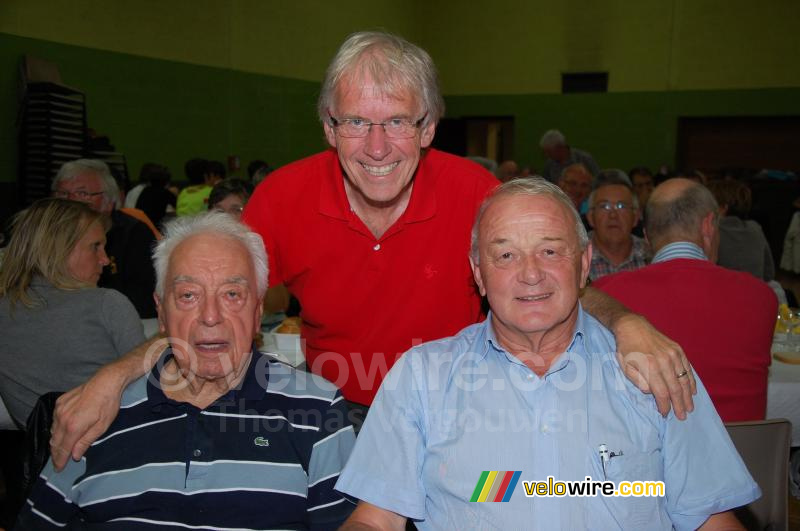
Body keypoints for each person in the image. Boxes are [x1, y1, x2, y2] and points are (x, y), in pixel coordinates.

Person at [49, 31, 695, 469]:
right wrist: (113, 375)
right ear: (330, 126)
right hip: (339, 412)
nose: (378, 145)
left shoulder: (477, 193)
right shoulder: (285, 197)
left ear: (430, 126)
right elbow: (208, 306)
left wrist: (631, 324)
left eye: (398, 121)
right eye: (357, 120)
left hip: (465, 404)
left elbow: (554, 282)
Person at [336, 179, 757, 530]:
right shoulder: (422, 377)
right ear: (478, 274)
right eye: (505, 255)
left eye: (551, 251)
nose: (531, 273)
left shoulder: (655, 369)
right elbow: (376, 519)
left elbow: (711, 520)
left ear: (584, 262)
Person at [17, 213, 355, 529]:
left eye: (232, 294)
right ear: (161, 312)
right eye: (188, 295)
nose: (211, 316)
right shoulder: (97, 414)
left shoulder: (316, 411)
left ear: (257, 311)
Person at [593, 178, 777, 421]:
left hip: (658, 457)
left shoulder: (607, 298)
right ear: (709, 226)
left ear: (647, 237)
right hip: (744, 455)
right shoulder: (761, 297)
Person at [0, 198, 144, 427]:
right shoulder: (106, 304)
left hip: (44, 455)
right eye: (95, 246)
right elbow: (150, 394)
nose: (105, 260)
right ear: (58, 248)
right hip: (120, 447)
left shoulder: (5, 310)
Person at [52, 159, 158, 317]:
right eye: (63, 193)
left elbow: (145, 297)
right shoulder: (44, 234)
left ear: (109, 201)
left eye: (83, 193)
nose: (70, 201)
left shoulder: (133, 233)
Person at [586, 169, 650, 280]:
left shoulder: (652, 256)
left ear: (635, 217)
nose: (613, 215)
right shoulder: (574, 258)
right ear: (590, 217)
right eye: (604, 206)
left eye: (621, 206)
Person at [707, 179, 775, 281]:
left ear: (723, 208)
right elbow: (769, 273)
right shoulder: (755, 229)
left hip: (723, 293)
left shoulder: (711, 231)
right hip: (756, 292)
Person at [135, 162, 177, 228]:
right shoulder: (164, 193)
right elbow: (178, 206)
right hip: (154, 227)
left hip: (140, 225)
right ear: (166, 182)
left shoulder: (146, 190)